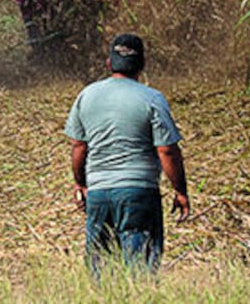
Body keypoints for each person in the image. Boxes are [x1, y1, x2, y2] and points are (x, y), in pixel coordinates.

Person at [63, 33, 190, 278]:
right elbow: (167, 150)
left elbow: (78, 146)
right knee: (140, 270)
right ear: (142, 64)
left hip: (98, 194)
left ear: (109, 63)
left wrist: (81, 184)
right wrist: (180, 191)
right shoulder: (152, 98)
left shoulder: (86, 96)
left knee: (100, 269)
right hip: (139, 193)